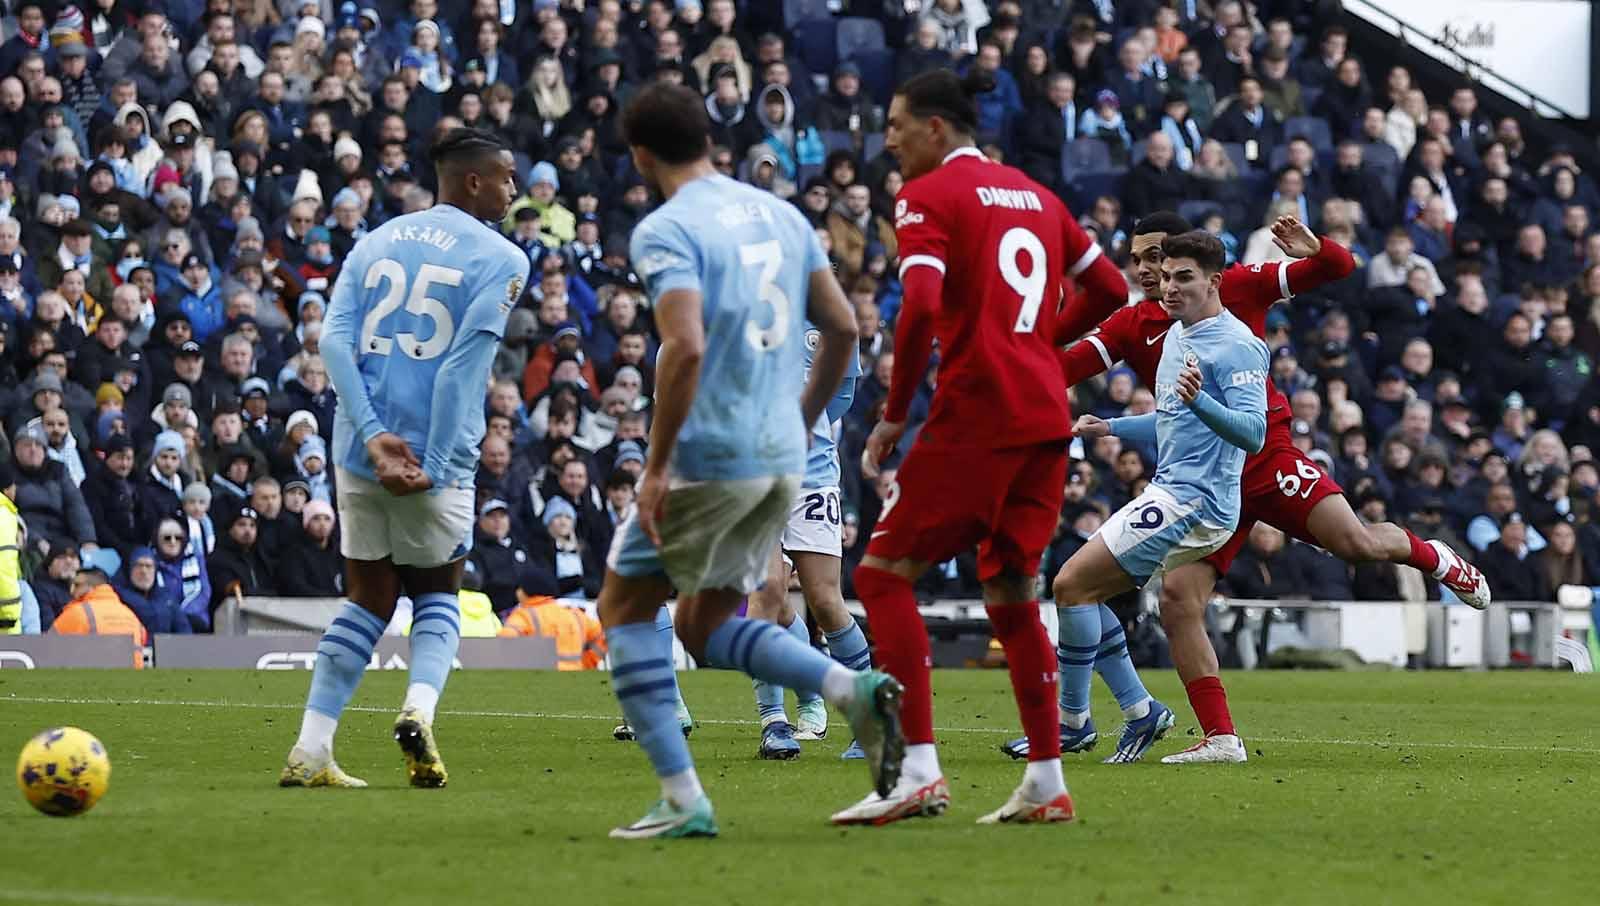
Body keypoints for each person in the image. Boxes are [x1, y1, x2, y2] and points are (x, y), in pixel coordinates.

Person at [1019, 212, 1490, 764]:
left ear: (1202, 274)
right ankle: (1221, 736)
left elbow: (1336, 267)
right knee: (1177, 603)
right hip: (1200, 479)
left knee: (1355, 545)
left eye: (1161, 259)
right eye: (1144, 261)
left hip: (1264, 460)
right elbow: (1062, 371)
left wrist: (1317, 247)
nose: (1152, 272)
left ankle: (1433, 556)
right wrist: (1030, 340)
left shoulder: (1236, 288)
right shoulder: (1136, 324)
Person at [598, 81, 894, 841]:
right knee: (702, 625)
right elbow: (842, 330)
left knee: (624, 607)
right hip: (780, 457)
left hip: (712, 449)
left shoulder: (666, 229)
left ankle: (681, 798)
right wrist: (798, 422)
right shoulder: (784, 216)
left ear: (639, 155)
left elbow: (686, 345)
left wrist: (658, 464)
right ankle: (851, 689)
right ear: (711, 140)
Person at [844, 68, 1128, 828]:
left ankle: (915, 772)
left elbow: (920, 309)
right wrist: (1036, 345)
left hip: (980, 412)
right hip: (1046, 419)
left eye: (898, 124)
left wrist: (896, 412)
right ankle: (1045, 779)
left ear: (936, 129)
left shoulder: (928, 196)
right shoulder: (1036, 194)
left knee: (880, 576)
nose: (889, 140)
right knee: (1008, 586)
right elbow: (1108, 291)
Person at [280, 128, 528, 792]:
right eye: (506, 176)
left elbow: (332, 343)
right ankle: (417, 709)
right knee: (436, 592)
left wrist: (369, 436)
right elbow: (457, 375)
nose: (514, 189)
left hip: (358, 451)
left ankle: (311, 747)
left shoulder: (378, 238)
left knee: (366, 597)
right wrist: (437, 467)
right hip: (432, 455)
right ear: (473, 180)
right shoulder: (502, 257)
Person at [1053, 229, 1268, 768]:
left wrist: (1203, 405)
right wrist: (1111, 427)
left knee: (1072, 584)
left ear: (1215, 281)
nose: (1168, 287)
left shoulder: (1236, 344)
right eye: (1164, 276)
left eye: (1183, 278)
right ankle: (1173, 722)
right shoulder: (1179, 336)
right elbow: (1172, 420)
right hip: (1173, 491)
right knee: (1101, 593)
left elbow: (1254, 432)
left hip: (1198, 502)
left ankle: (1076, 721)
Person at [745, 310, 871, 759]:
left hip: (814, 475)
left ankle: (867, 717)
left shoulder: (835, 322)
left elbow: (844, 394)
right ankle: (773, 722)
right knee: (768, 592)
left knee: (825, 601)